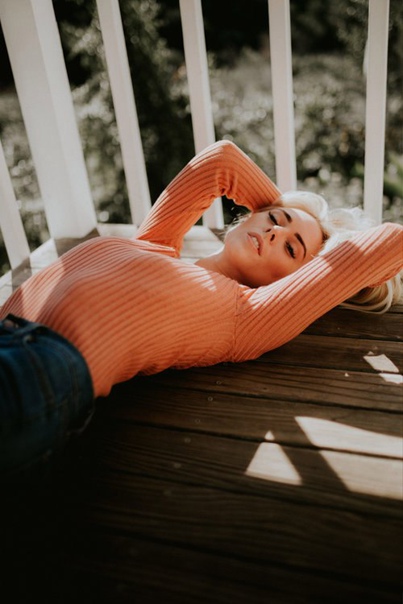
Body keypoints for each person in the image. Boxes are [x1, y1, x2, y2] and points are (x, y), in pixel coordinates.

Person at [1, 139, 402, 479]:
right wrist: (280, 208)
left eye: (291, 248)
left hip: (40, 369)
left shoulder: (246, 316)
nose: (275, 231)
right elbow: (221, 160)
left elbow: (390, 243)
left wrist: (320, 254)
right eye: (274, 219)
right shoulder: (154, 242)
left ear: (296, 281)